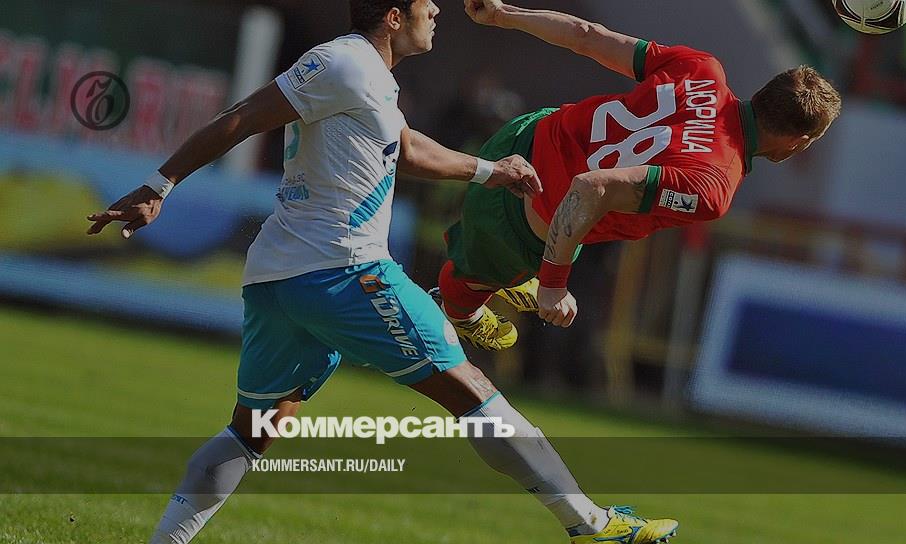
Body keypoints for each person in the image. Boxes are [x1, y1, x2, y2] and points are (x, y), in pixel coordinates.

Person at [86, 1, 679, 543]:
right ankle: (591, 525)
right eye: (425, 5)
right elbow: (243, 116)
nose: (437, 11)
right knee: (473, 392)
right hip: (343, 271)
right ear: (394, 16)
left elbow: (407, 150)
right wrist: (159, 185)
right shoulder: (341, 62)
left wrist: (490, 171)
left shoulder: (369, 76)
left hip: (281, 278)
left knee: (251, 430)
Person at [437, 0, 843, 351]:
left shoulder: (702, 68)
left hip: (520, 137)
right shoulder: (713, 185)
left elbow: (586, 35)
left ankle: (514, 277)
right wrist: (553, 281)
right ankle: (462, 308)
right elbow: (591, 186)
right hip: (523, 220)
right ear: (798, 141)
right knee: (458, 295)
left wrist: (503, 13)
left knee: (535, 246)